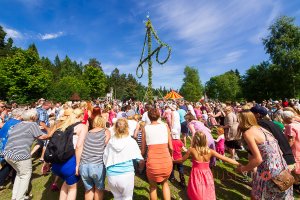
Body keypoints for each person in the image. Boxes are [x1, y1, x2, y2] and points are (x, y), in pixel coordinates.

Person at [236, 106, 293, 200]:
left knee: (258, 195)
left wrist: (243, 169)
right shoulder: (261, 128)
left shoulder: (248, 133)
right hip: (282, 168)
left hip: (268, 171)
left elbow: (258, 159)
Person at [1, 109, 54, 200]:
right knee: (25, 175)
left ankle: (16, 197)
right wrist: (53, 132)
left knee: (20, 174)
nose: (37, 117)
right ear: (33, 117)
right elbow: (42, 137)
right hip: (20, 155)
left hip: (8, 154)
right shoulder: (32, 124)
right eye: (36, 115)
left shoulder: (19, 124)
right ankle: (20, 198)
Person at [175, 132, 239, 200]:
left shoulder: (191, 150)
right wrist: (238, 164)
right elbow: (225, 158)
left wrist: (173, 161)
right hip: (207, 173)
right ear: (205, 140)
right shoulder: (210, 151)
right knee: (207, 188)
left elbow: (181, 160)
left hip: (196, 173)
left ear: (195, 140)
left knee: (197, 189)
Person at [51, 108, 88, 200]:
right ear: (81, 116)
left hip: (58, 160)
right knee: (72, 188)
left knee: (66, 183)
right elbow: (79, 146)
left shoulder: (62, 125)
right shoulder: (82, 127)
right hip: (71, 160)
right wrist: (78, 165)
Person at [103, 118, 143, 200]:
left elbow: (105, 156)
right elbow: (140, 160)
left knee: (117, 197)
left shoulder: (110, 142)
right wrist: (140, 168)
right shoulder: (131, 141)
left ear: (115, 128)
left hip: (112, 175)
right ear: (127, 127)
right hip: (126, 174)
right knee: (127, 197)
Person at [142, 108, 173, 200]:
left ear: (148, 116)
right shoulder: (165, 126)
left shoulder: (145, 128)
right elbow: (171, 147)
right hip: (166, 159)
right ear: (159, 115)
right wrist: (171, 156)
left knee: (153, 187)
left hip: (152, 161)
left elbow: (143, 150)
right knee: (165, 183)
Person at [78, 116, 110, 200]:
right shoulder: (106, 132)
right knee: (99, 190)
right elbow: (106, 145)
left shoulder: (88, 132)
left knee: (88, 190)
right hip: (97, 165)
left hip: (84, 165)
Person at [282, 110, 300, 193]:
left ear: (286, 118)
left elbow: (291, 139)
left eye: (283, 118)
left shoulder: (290, 126)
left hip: (295, 149)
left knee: (295, 167)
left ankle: (296, 186)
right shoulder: (298, 123)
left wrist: (285, 149)